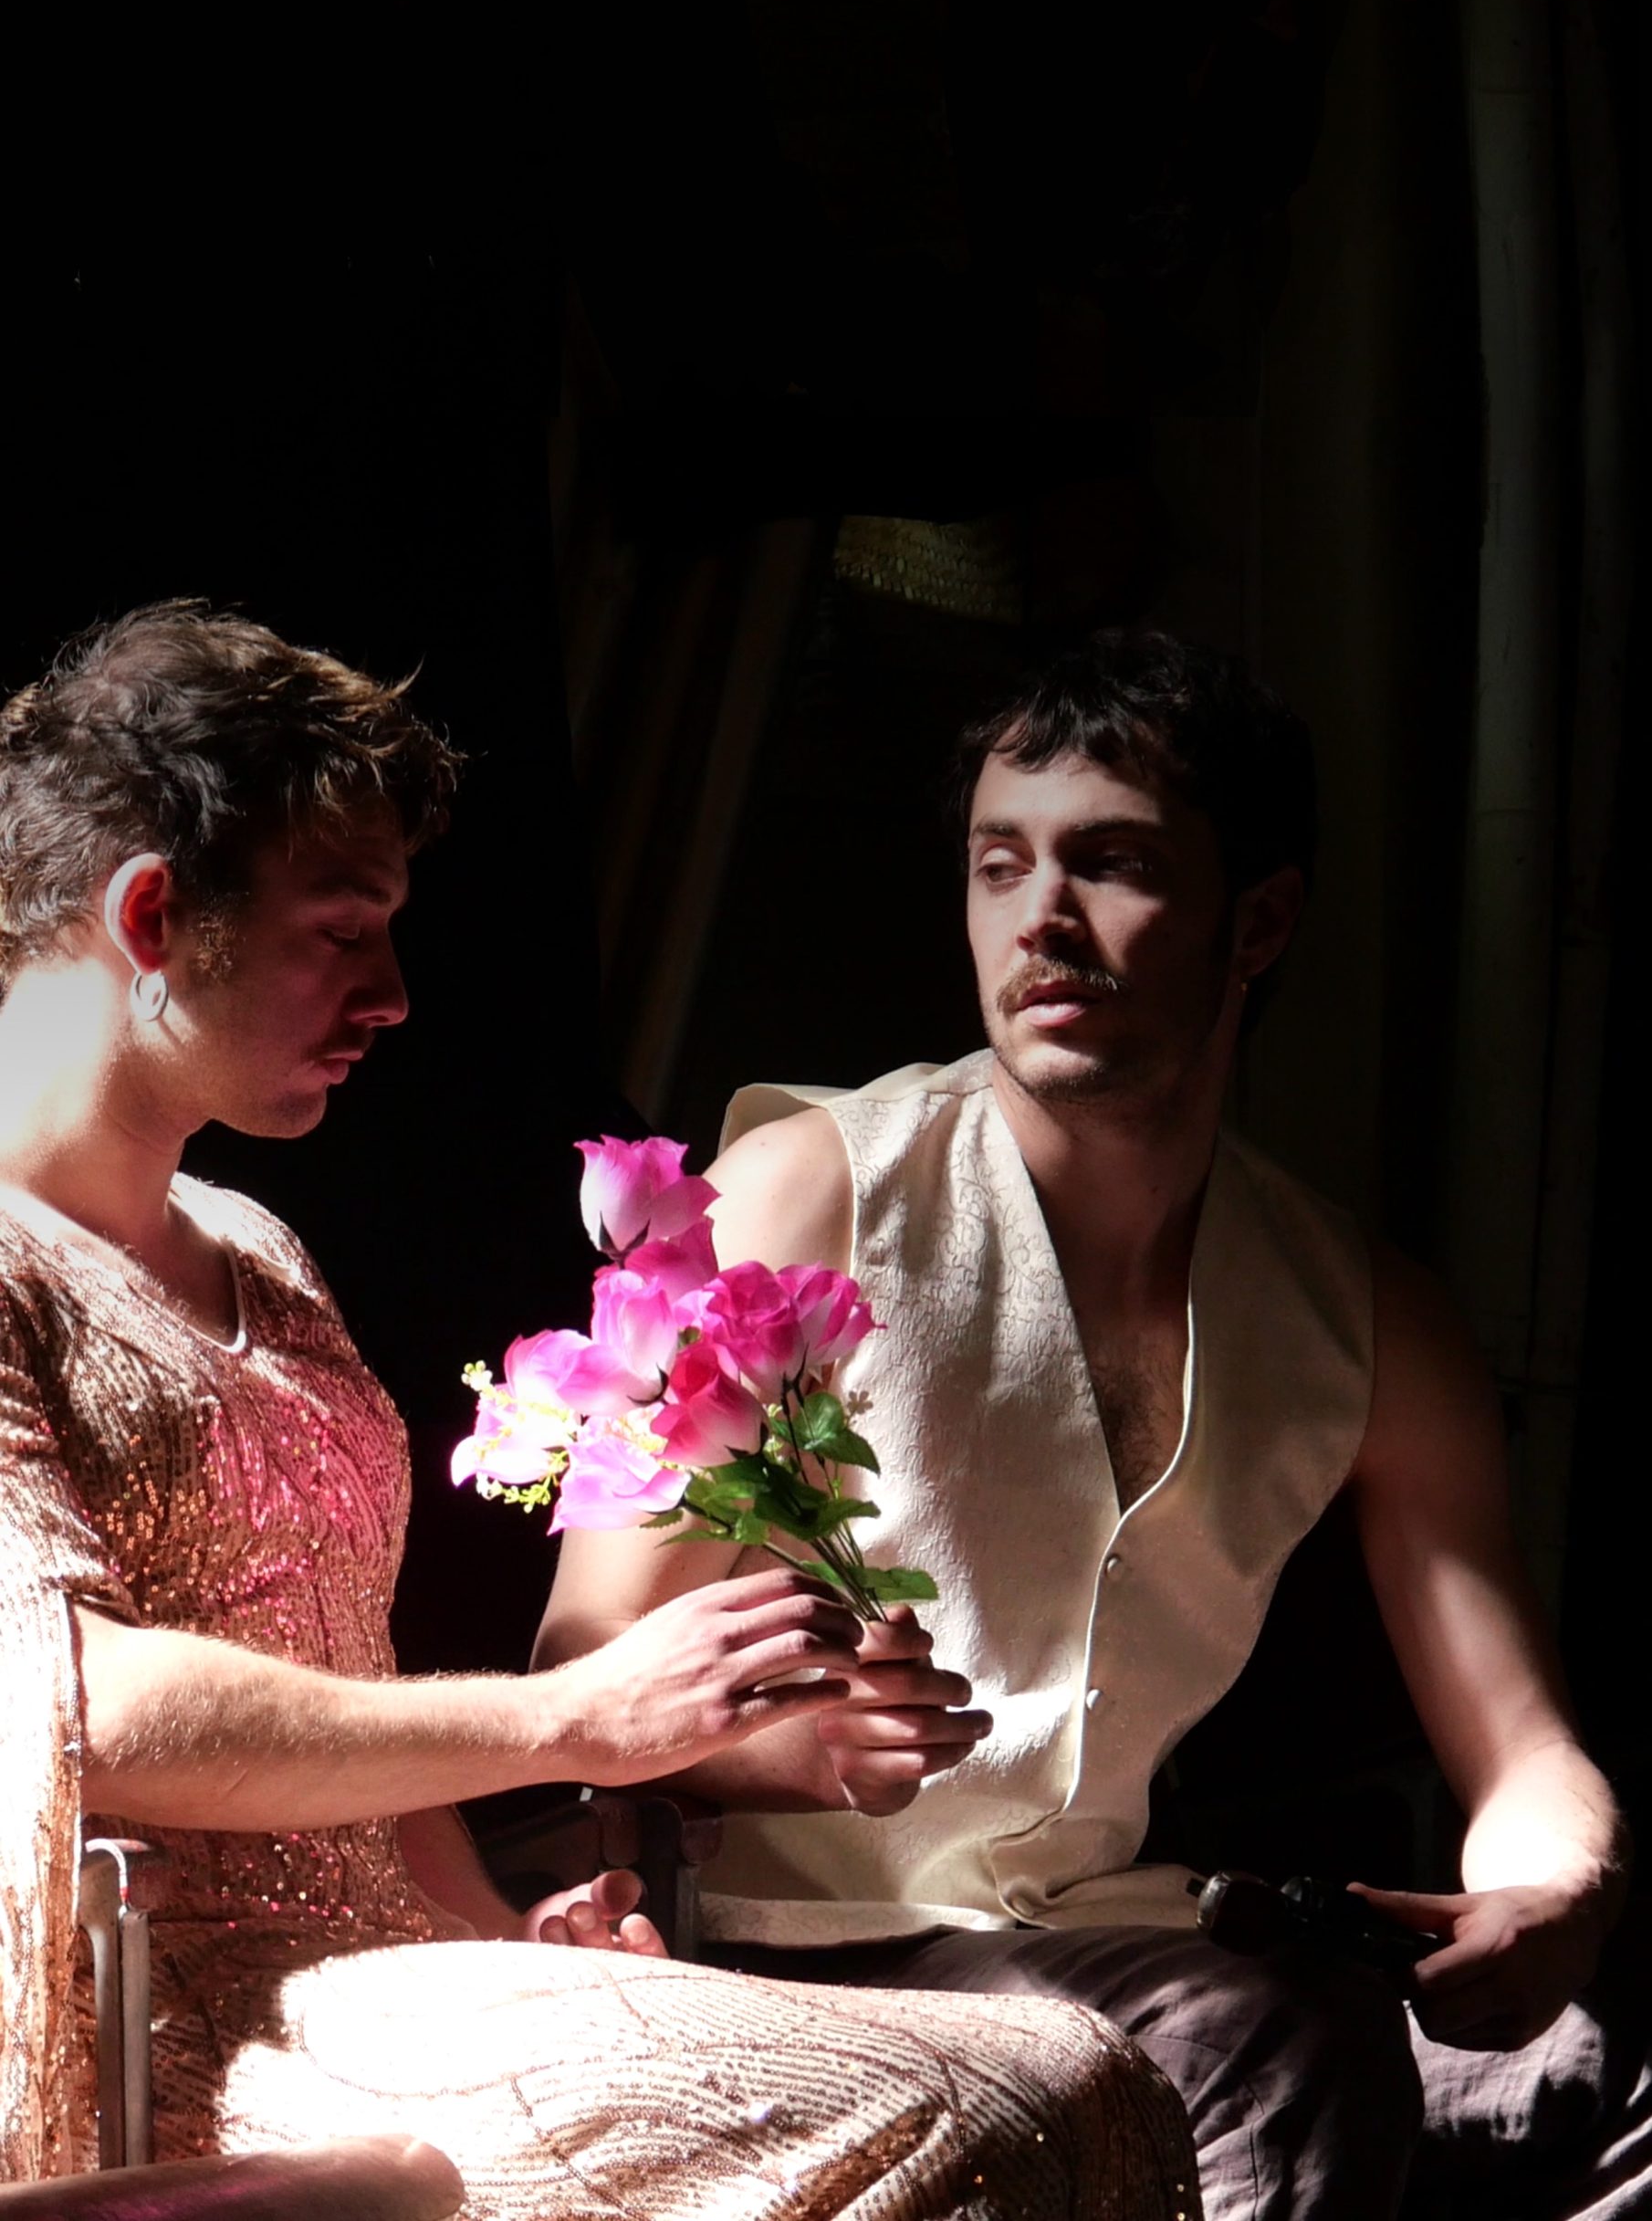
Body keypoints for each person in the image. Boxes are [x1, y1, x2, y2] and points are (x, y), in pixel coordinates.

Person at [0, 603, 1201, 2216]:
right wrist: (572, 1718)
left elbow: (346, 1692)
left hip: (392, 1993)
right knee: (1006, 2103)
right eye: (342, 930)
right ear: (153, 914)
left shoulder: (258, 1251)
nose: (394, 994)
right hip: (173, 2028)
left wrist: (506, 1940)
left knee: (1088, 2076)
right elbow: (84, 1704)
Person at [540, 628, 1649, 2219]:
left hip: (1119, 1930)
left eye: (1111, 863)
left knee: (1590, 2069)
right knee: (1268, 2040)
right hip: (814, 1952)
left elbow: (1519, 1742)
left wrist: (1553, 1893)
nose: (1040, 920)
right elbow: (579, 1660)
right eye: (1001, 865)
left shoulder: (1365, 1316)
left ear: (1257, 920)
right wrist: (786, 1749)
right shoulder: (806, 1192)